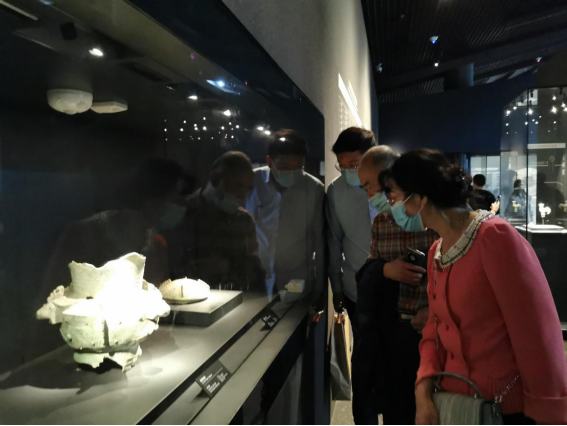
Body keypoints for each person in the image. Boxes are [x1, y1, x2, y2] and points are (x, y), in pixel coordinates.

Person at [388, 149, 567, 425]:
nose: (397, 208)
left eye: (397, 199)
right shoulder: (437, 251)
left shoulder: (495, 238)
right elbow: (434, 330)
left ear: (421, 198)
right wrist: (422, 392)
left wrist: (549, 413)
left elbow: (537, 335)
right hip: (454, 405)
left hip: (504, 410)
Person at [352, 146, 438, 425]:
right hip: (394, 332)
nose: (370, 195)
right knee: (396, 411)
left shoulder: (436, 219)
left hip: (435, 334)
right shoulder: (382, 222)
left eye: (370, 186)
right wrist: (386, 270)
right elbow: (368, 272)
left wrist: (434, 311)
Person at [168, 151, 266, 293]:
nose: (242, 196)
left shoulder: (243, 220)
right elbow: (169, 266)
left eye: (247, 189)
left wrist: (228, 266)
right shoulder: (183, 215)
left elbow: (255, 268)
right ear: (215, 178)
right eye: (238, 186)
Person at [246, 129, 326, 299]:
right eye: (284, 166)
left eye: (298, 167)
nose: (291, 172)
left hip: (297, 280)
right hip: (256, 279)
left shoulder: (314, 189)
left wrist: (320, 288)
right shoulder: (252, 182)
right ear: (269, 161)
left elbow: (320, 240)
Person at [327, 127, 377, 319]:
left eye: (354, 165)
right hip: (356, 289)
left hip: (398, 292)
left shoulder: (395, 187)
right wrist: (337, 287)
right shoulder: (336, 190)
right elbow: (334, 240)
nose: (347, 171)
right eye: (342, 166)